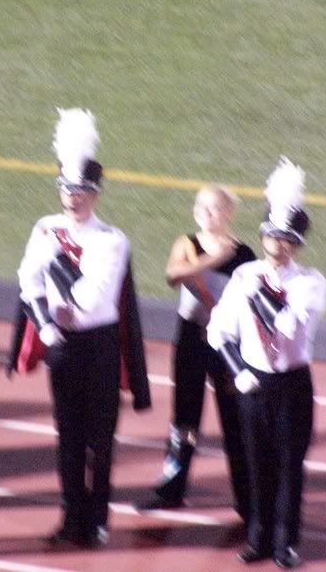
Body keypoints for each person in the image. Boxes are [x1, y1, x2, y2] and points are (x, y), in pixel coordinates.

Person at [16, 108, 151, 547]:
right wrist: (45, 322)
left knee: (100, 438)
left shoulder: (111, 239)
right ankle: (71, 516)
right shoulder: (44, 227)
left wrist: (54, 265)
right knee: (67, 437)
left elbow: (90, 298)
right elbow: (26, 281)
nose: (72, 198)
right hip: (60, 343)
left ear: (95, 194)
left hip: (98, 345)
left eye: (81, 191)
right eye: (66, 189)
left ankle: (98, 517)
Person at [207, 156, 326, 569]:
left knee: (290, 466)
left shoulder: (311, 282)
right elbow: (218, 330)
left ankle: (286, 542)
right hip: (253, 381)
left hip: (291, 384)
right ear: (263, 236)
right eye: (273, 237)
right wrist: (238, 370)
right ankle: (258, 536)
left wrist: (259, 293)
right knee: (256, 463)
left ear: (297, 244)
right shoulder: (244, 277)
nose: (278, 246)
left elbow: (290, 326)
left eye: (287, 239)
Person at [137, 185, 254, 519]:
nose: (207, 212)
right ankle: (171, 488)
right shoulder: (187, 244)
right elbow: (173, 275)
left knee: (234, 418)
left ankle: (247, 497)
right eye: (202, 206)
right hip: (190, 337)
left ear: (229, 213)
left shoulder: (244, 254)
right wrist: (214, 259)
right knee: (184, 417)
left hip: (226, 343)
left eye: (215, 207)